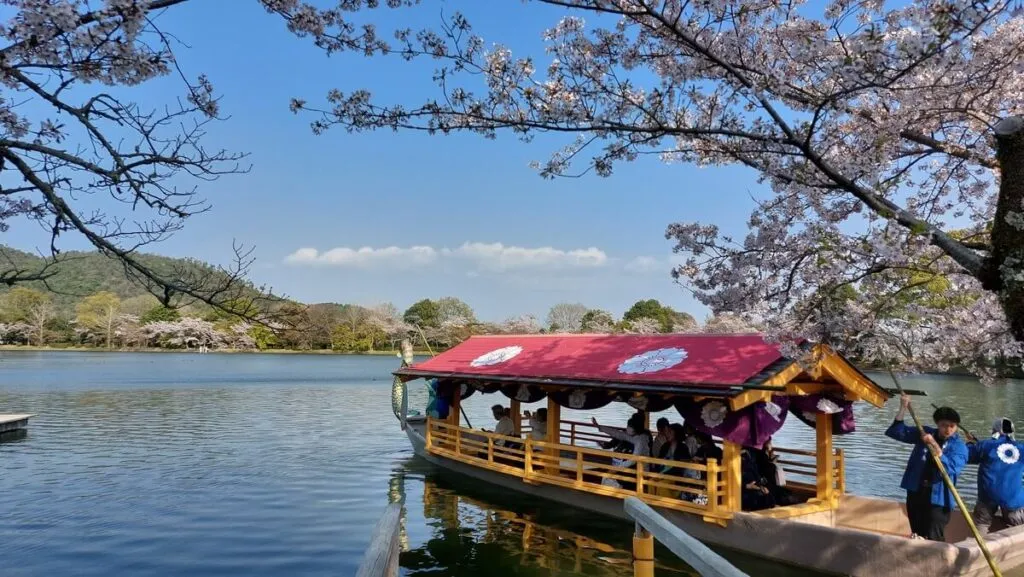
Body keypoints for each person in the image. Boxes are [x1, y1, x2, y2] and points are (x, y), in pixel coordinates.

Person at [885, 394, 968, 542]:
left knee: (934, 535)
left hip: (939, 497)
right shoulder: (924, 433)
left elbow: (951, 469)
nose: (948, 430)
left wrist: (933, 444)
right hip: (916, 491)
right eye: (943, 425)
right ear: (937, 424)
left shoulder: (959, 446)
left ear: (956, 427)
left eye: (952, 426)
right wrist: (903, 407)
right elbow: (896, 432)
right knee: (917, 533)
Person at [967, 417, 1024, 535]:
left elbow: (967, 456)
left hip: (988, 496)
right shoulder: (1021, 448)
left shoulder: (985, 445)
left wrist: (970, 443)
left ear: (994, 430)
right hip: (1014, 498)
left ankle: (978, 547)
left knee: (981, 524)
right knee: (1017, 529)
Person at [592, 412, 652, 490]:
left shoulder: (641, 440)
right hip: (631, 468)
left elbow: (632, 461)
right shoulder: (634, 436)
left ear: (635, 428)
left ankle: (621, 491)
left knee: (608, 478)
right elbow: (617, 433)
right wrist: (599, 427)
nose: (628, 428)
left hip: (640, 471)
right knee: (608, 476)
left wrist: (615, 469)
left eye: (630, 426)